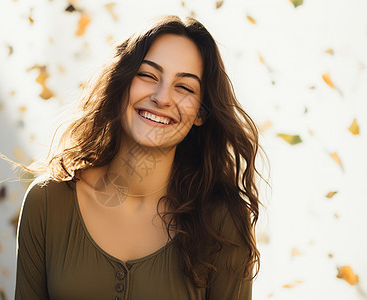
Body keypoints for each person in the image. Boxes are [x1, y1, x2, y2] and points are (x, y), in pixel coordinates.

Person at [15, 15, 262, 300]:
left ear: (201, 113)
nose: (162, 97)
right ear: (121, 84)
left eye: (185, 87)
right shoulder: (47, 202)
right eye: (147, 75)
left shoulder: (224, 223)